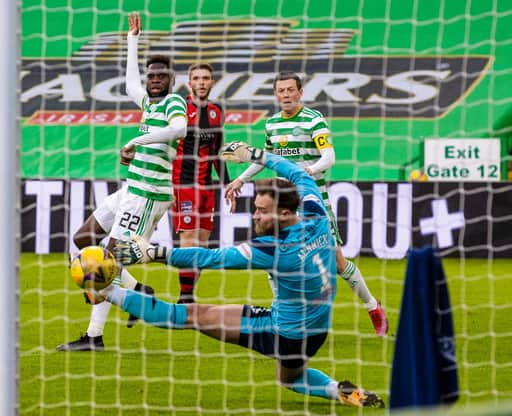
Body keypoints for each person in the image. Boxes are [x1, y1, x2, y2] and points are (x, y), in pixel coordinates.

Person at [90, 143, 384, 408]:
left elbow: (210, 258)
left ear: (284, 214)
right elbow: (299, 173)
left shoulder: (276, 249)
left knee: (192, 315)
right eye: (255, 208)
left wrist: (155, 253)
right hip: (317, 330)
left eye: (262, 211)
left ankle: (106, 291)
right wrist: (257, 156)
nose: (254, 215)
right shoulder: (316, 214)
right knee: (289, 379)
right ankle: (340, 391)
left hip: (284, 332)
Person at [56, 12, 187, 352]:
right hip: (131, 188)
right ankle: (139, 290)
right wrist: (132, 40)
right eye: (151, 75)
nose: (154, 79)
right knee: (83, 238)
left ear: (171, 79)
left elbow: (179, 129)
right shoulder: (147, 102)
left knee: (105, 261)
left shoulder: (174, 102)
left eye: (160, 75)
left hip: (147, 195)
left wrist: (134, 143)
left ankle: (94, 337)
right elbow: (131, 85)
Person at [224, 71, 388, 336]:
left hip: (314, 201)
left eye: (291, 90)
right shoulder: (272, 124)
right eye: (281, 91)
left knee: (336, 262)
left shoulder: (314, 120)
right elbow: (265, 159)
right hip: (283, 205)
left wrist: (306, 174)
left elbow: (329, 157)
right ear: (276, 94)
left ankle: (372, 306)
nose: (286, 95)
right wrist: (240, 180)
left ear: (300, 92)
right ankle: (282, 314)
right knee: (274, 256)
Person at [172, 62, 230, 304]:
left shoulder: (217, 111)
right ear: (189, 82)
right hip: (184, 185)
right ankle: (185, 298)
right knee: (188, 240)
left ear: (212, 82)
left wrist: (227, 183)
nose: (202, 82)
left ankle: (189, 295)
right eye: (197, 78)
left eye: (206, 78)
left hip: (207, 187)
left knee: (203, 244)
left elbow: (217, 150)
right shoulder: (179, 109)